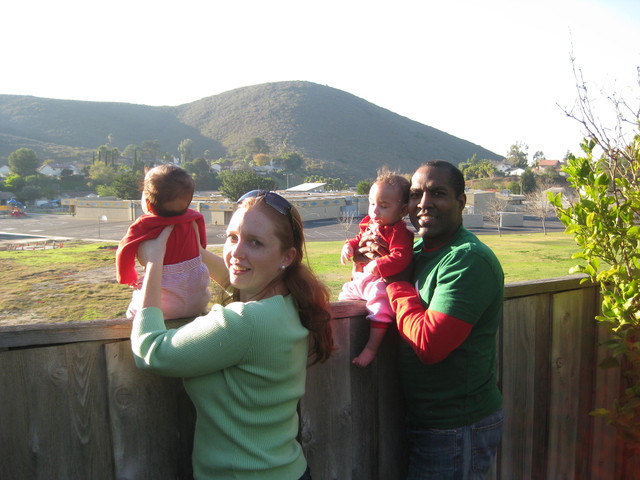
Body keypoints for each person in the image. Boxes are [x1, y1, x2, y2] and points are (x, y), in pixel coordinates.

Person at [130, 189, 334, 480]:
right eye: (232, 237)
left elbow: (150, 352)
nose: (236, 252)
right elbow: (238, 279)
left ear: (286, 257)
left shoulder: (244, 322)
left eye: (255, 242)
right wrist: (189, 246)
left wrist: (154, 264)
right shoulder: (289, 302)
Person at [380, 160, 504, 479]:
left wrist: (395, 281)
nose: (424, 203)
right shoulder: (418, 250)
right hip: (425, 418)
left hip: (456, 426)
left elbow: (429, 343)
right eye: (416, 194)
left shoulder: (466, 259)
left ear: (460, 202)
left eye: (438, 193)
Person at [116, 164, 210, 320]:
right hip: (198, 299)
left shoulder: (143, 224)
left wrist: (127, 277)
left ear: (147, 203)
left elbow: (124, 250)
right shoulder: (194, 217)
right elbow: (202, 244)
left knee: (133, 313)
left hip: (164, 299)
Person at [339, 171, 414, 367]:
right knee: (342, 301)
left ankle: (371, 348)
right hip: (360, 280)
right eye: (372, 203)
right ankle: (336, 339)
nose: (375, 211)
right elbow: (358, 239)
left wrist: (378, 264)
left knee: (380, 307)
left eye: (384, 206)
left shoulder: (399, 232)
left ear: (403, 209)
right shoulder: (369, 224)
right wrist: (349, 245)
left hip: (378, 282)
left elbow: (401, 257)